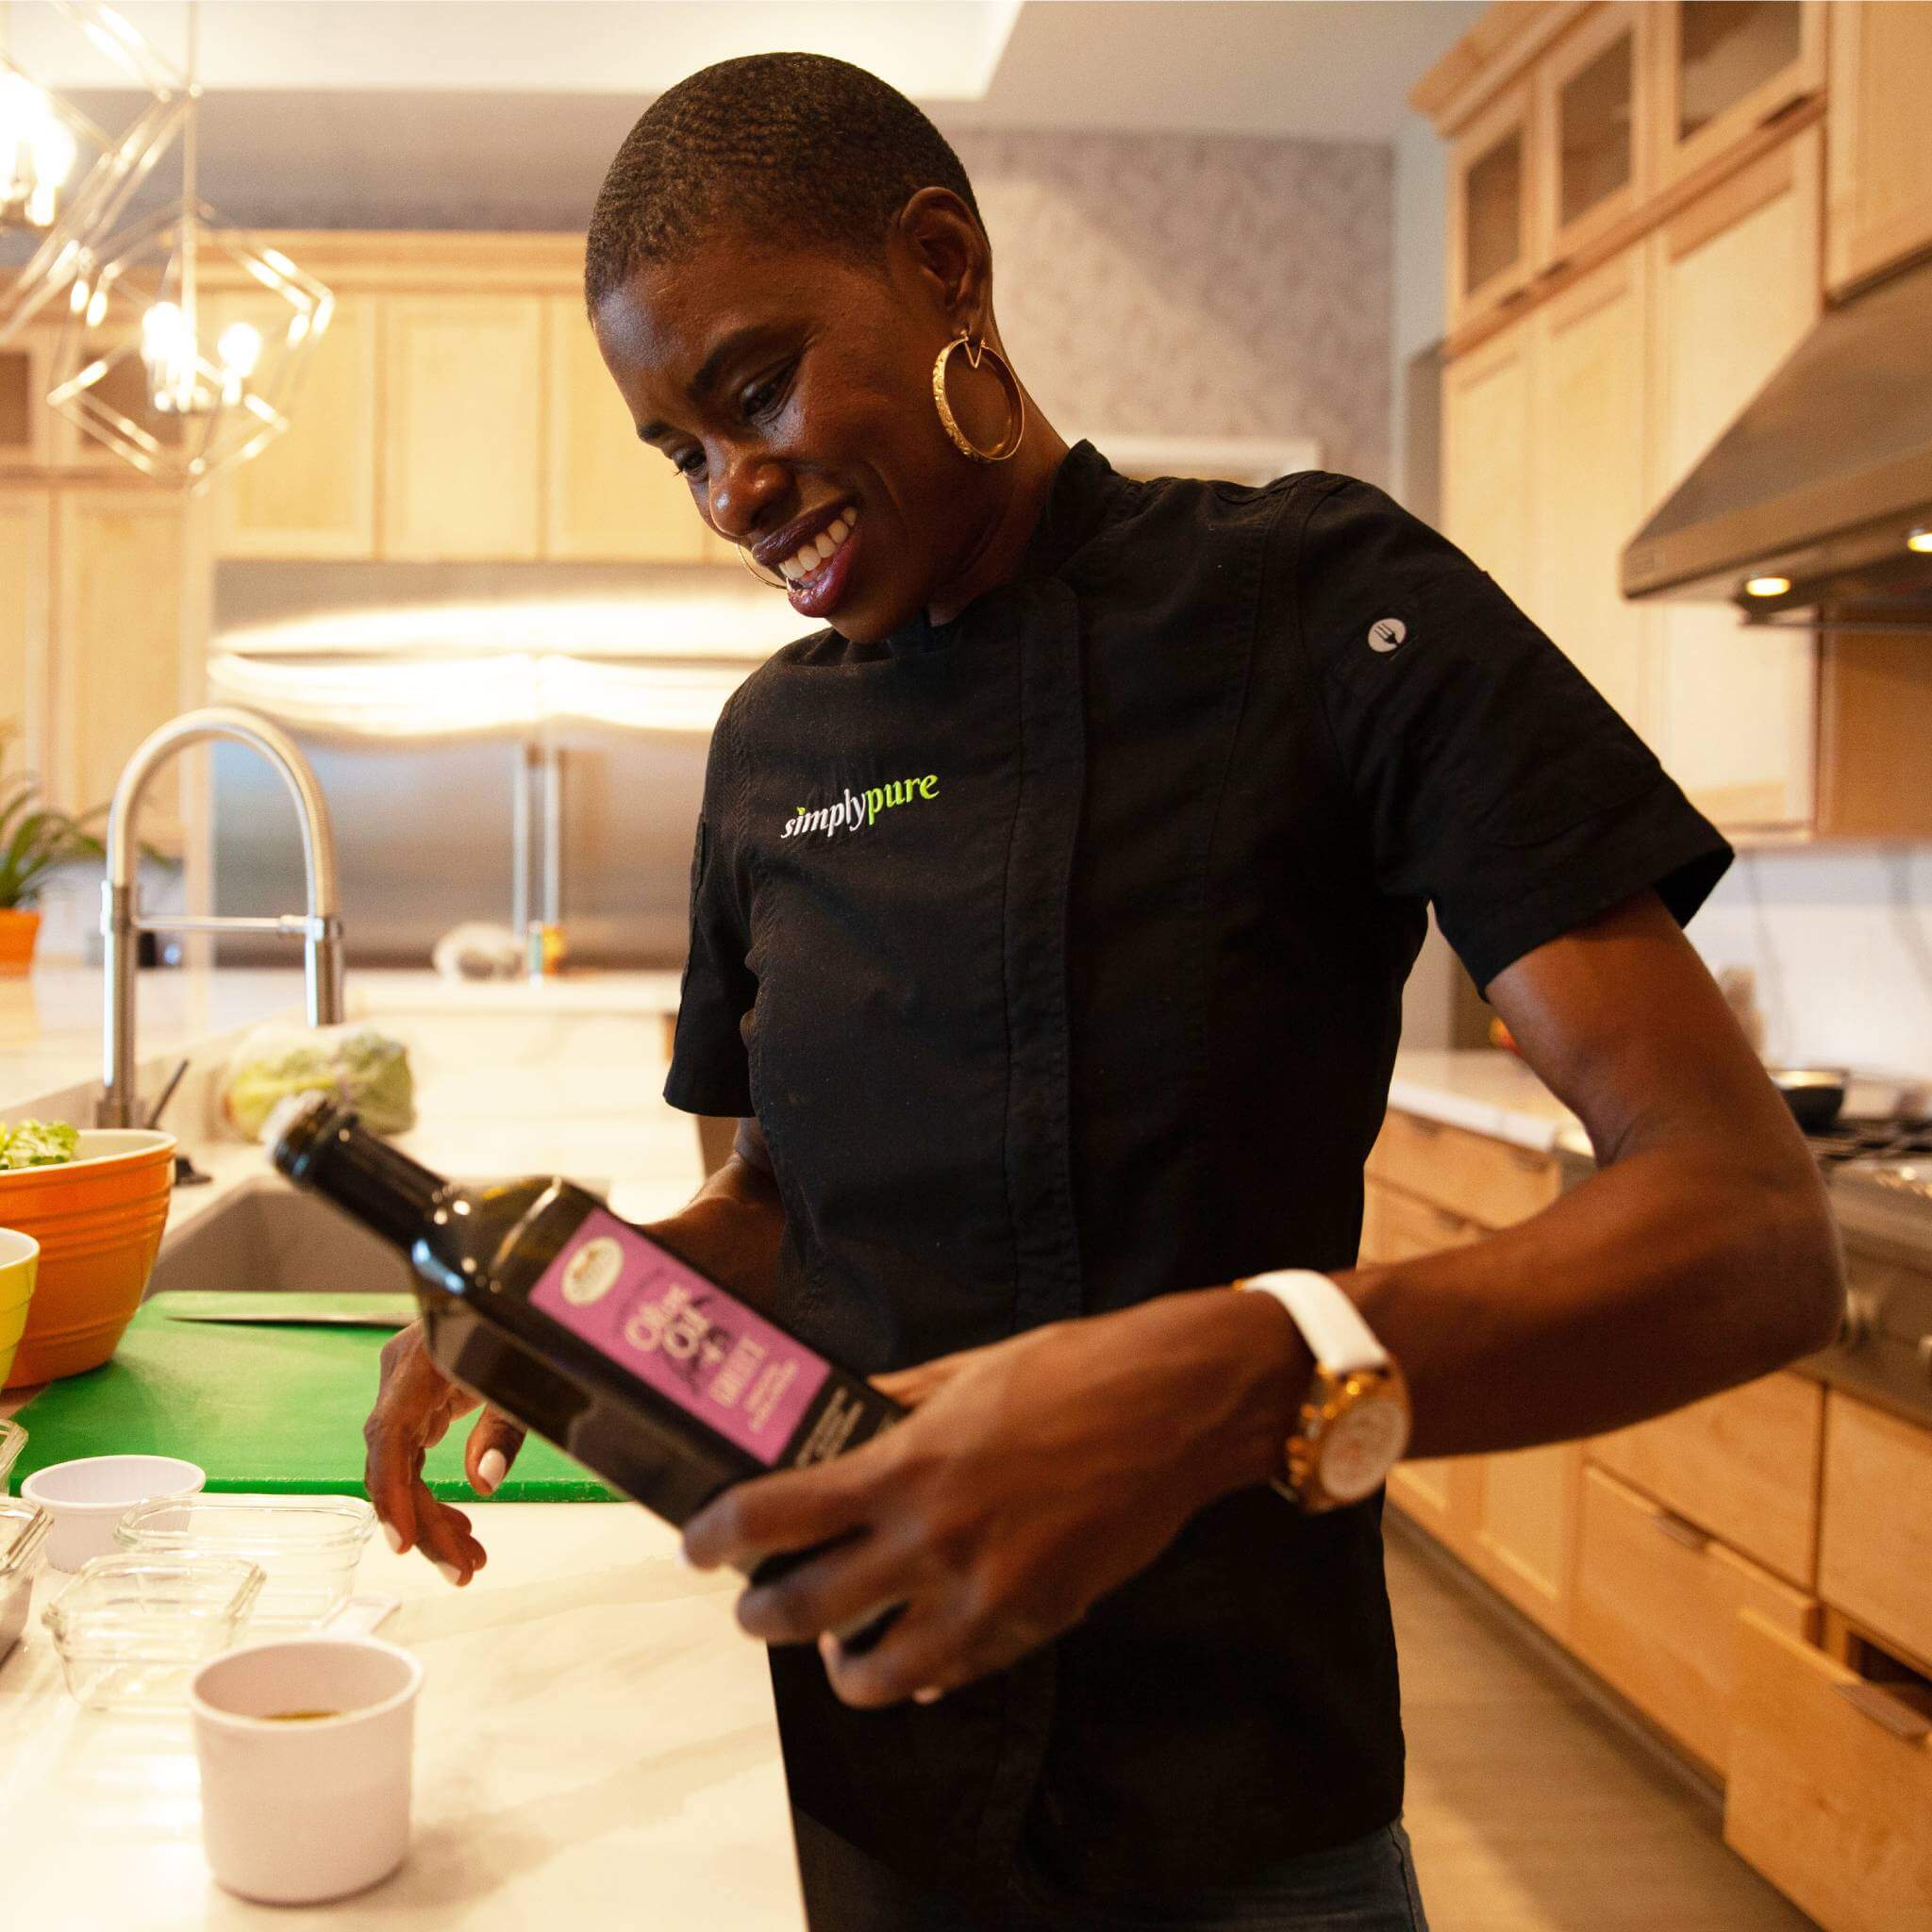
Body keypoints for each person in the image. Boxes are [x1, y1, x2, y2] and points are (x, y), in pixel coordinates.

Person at [359, 52, 1845, 1932]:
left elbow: (1744, 1229)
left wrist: (1227, 1382)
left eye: (755, 390)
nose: (732, 491)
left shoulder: (1327, 611)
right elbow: (786, 1215)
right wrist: (562, 1304)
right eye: (681, 447)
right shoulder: (765, 750)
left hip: (1243, 1815)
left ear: (943, 266)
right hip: (858, 1767)